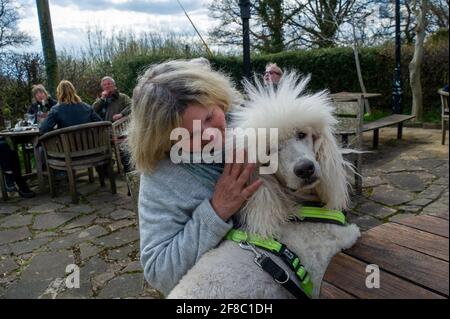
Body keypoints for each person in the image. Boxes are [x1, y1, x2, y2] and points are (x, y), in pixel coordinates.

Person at [127, 59, 263, 296]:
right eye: (192, 134)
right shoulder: (160, 177)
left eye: (211, 117)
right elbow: (159, 273)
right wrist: (216, 211)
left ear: (219, 99)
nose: (212, 135)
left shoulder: (248, 124)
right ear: (164, 140)